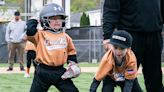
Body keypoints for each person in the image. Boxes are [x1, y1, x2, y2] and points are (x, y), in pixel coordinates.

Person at [102, 0, 164, 92]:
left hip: (154, 34)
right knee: (126, 79)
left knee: (155, 80)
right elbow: (111, 8)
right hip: (129, 35)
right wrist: (107, 37)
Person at [26, 3, 80, 92]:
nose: (57, 21)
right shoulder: (40, 34)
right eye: (53, 18)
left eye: (60, 18)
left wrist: (73, 64)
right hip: (43, 71)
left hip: (60, 71)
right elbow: (29, 30)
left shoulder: (65, 36)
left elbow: (71, 52)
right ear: (45, 20)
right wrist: (35, 19)